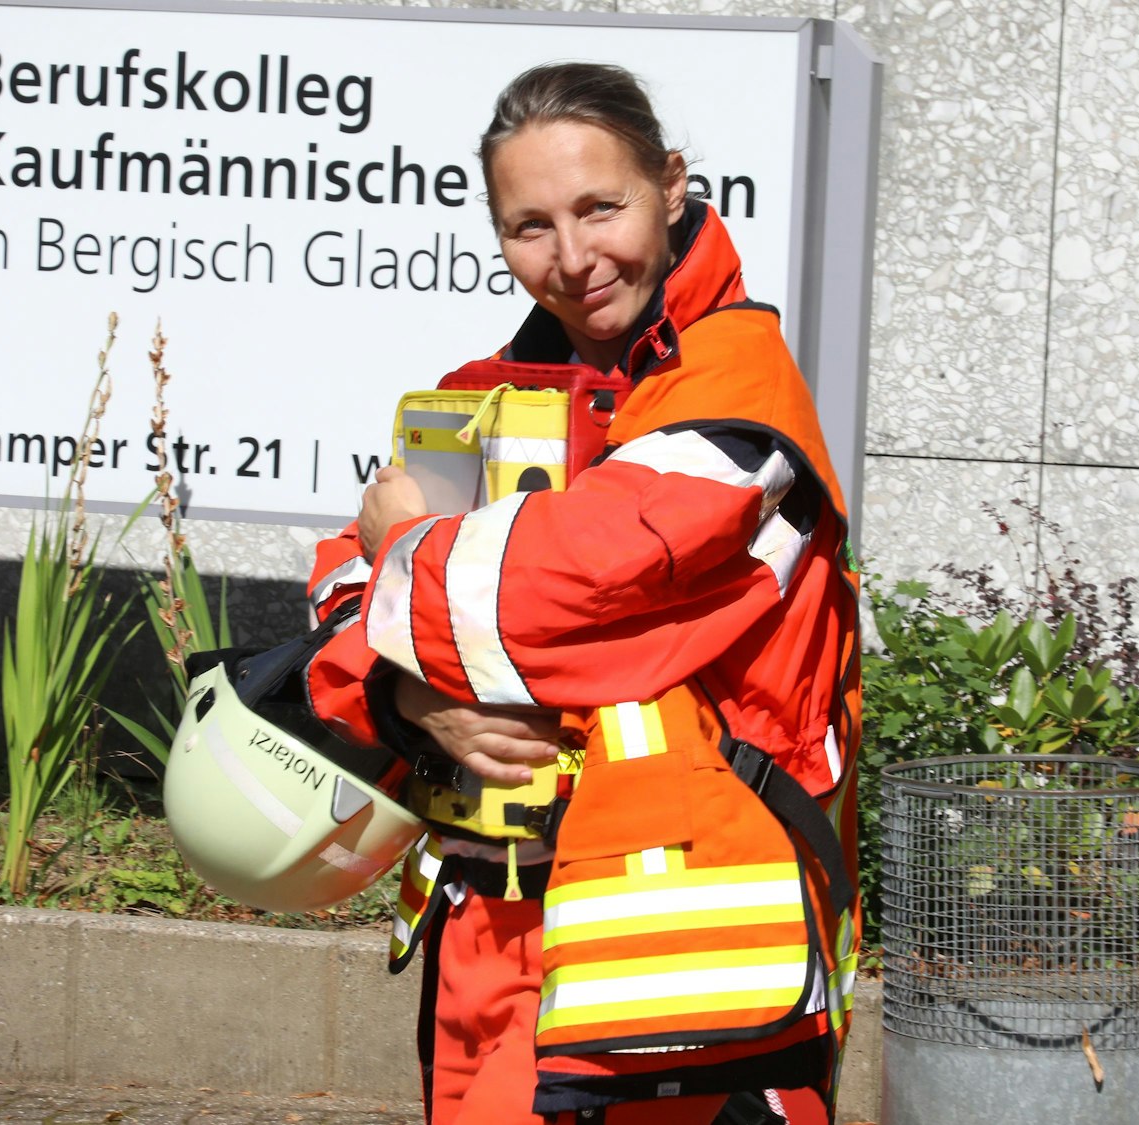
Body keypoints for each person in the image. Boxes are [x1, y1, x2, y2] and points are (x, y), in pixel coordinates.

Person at [302, 62, 861, 1125]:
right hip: (487, 930)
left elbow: (558, 590)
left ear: (671, 186)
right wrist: (406, 701)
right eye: (529, 225)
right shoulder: (484, 396)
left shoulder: (741, 399)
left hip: (681, 941)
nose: (571, 259)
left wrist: (406, 550)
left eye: (600, 207)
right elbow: (334, 589)